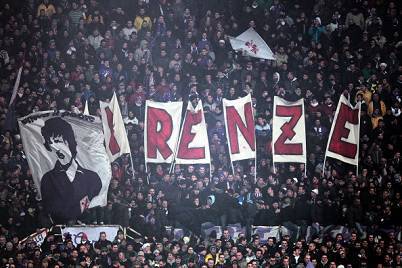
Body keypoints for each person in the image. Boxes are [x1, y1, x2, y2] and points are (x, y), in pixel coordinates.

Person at [40, 117, 102, 223]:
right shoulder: (47, 180)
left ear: (70, 141)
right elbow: (53, 209)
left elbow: (97, 205)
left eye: (58, 141)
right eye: (51, 143)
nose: (56, 148)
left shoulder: (93, 178)